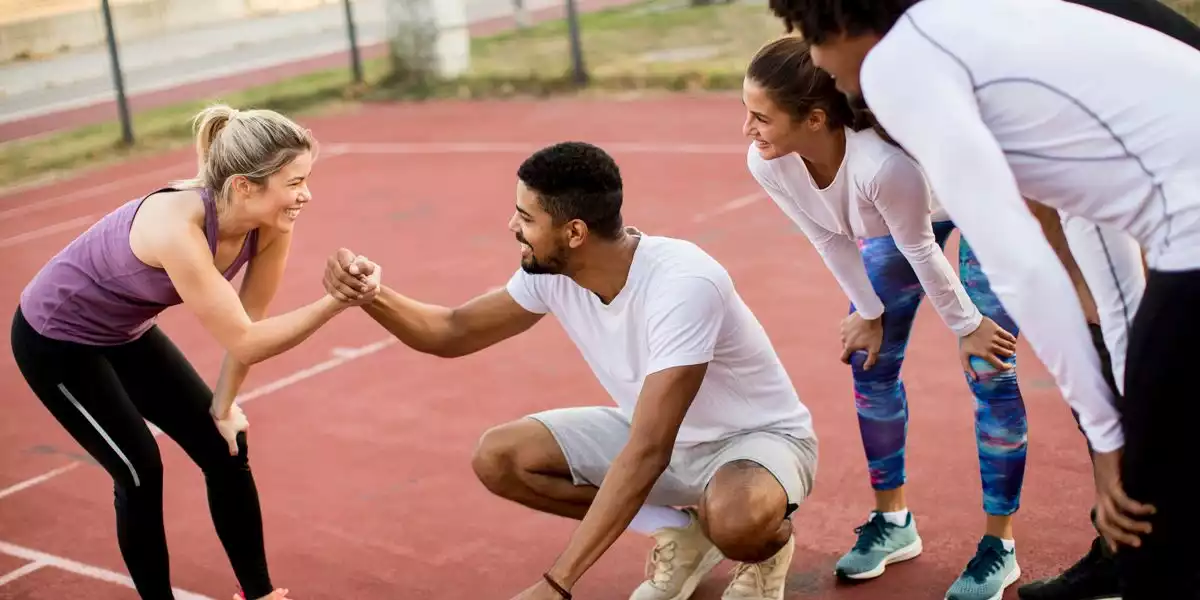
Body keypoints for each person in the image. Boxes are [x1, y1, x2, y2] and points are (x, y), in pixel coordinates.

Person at [765, 0, 1200, 597]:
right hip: (1172, 210)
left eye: (807, 33)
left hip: (1187, 219)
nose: (812, 59)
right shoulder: (980, 37)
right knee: (1153, 453)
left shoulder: (899, 64)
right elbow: (1083, 230)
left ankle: (1101, 555)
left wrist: (1109, 437)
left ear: (839, 25)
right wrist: (1116, 419)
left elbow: (1022, 266)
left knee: (1149, 489)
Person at [323, 141, 818, 600]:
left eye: (526, 217)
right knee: (501, 457)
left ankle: (764, 549)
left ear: (574, 232)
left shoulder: (683, 283)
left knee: (735, 520)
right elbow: (452, 331)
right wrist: (371, 296)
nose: (512, 228)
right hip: (655, 436)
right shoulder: (552, 274)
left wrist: (556, 584)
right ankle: (682, 534)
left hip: (754, 443)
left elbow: (648, 451)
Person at [10, 104, 379, 600]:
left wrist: (222, 408)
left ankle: (260, 594)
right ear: (246, 185)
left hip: (124, 333)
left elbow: (253, 321)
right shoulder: (175, 227)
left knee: (226, 447)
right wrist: (338, 301)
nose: (306, 194)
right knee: (140, 470)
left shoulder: (269, 222)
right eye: (294, 182)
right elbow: (246, 341)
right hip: (56, 339)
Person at [741, 36, 1026, 600]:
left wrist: (966, 326)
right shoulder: (769, 163)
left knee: (990, 370)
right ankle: (894, 524)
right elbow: (827, 236)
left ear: (815, 119)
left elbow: (922, 251)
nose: (746, 130)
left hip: (977, 201)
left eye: (759, 117)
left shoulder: (882, 165)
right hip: (903, 221)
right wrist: (868, 312)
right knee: (869, 360)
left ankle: (1000, 546)